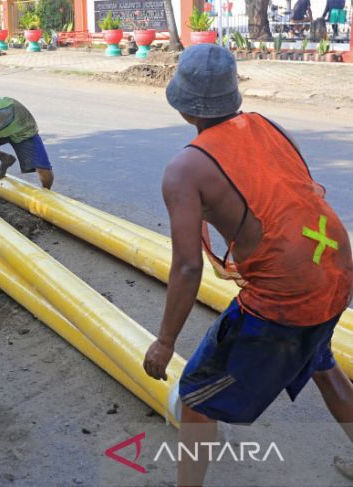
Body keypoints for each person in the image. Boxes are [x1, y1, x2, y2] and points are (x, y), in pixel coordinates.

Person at [142, 44, 353, 486]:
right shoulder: (266, 126)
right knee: (320, 363)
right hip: (334, 269)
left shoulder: (186, 168)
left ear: (183, 106)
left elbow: (186, 268)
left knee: (197, 396)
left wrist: (164, 341)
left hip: (285, 296)